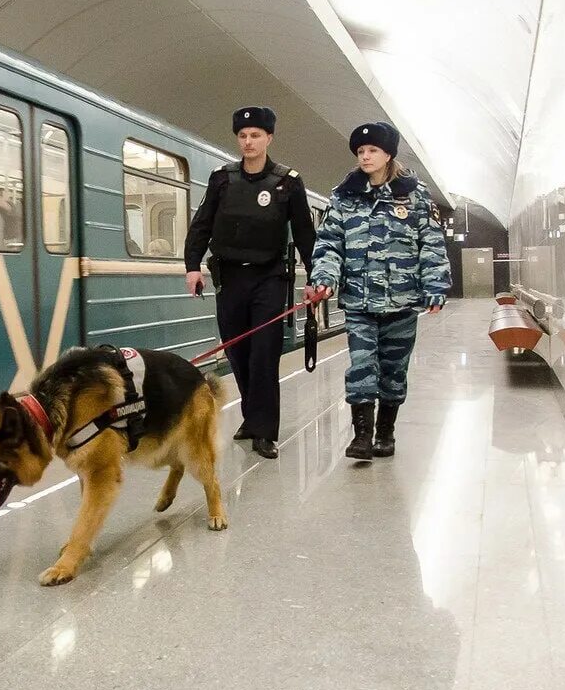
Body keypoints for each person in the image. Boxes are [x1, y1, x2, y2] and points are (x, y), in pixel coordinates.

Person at [308, 122, 451, 462]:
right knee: (361, 366)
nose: (366, 156)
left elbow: (430, 243)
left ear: (388, 154)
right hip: (359, 301)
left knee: (393, 370)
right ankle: (361, 437)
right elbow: (329, 244)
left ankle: (386, 432)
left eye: (372, 151)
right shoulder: (343, 196)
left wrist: (435, 286)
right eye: (360, 152)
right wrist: (325, 277)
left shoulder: (414, 195)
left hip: (402, 301)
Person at [185, 106, 316, 459]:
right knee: (237, 351)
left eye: (256, 135)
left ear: (269, 138)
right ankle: (250, 417)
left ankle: (264, 431)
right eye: (243, 136)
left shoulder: (288, 182)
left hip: (268, 278)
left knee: (263, 354)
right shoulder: (222, 179)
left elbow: (305, 233)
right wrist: (192, 266)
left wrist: (314, 277)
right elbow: (202, 224)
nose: (248, 141)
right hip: (229, 278)